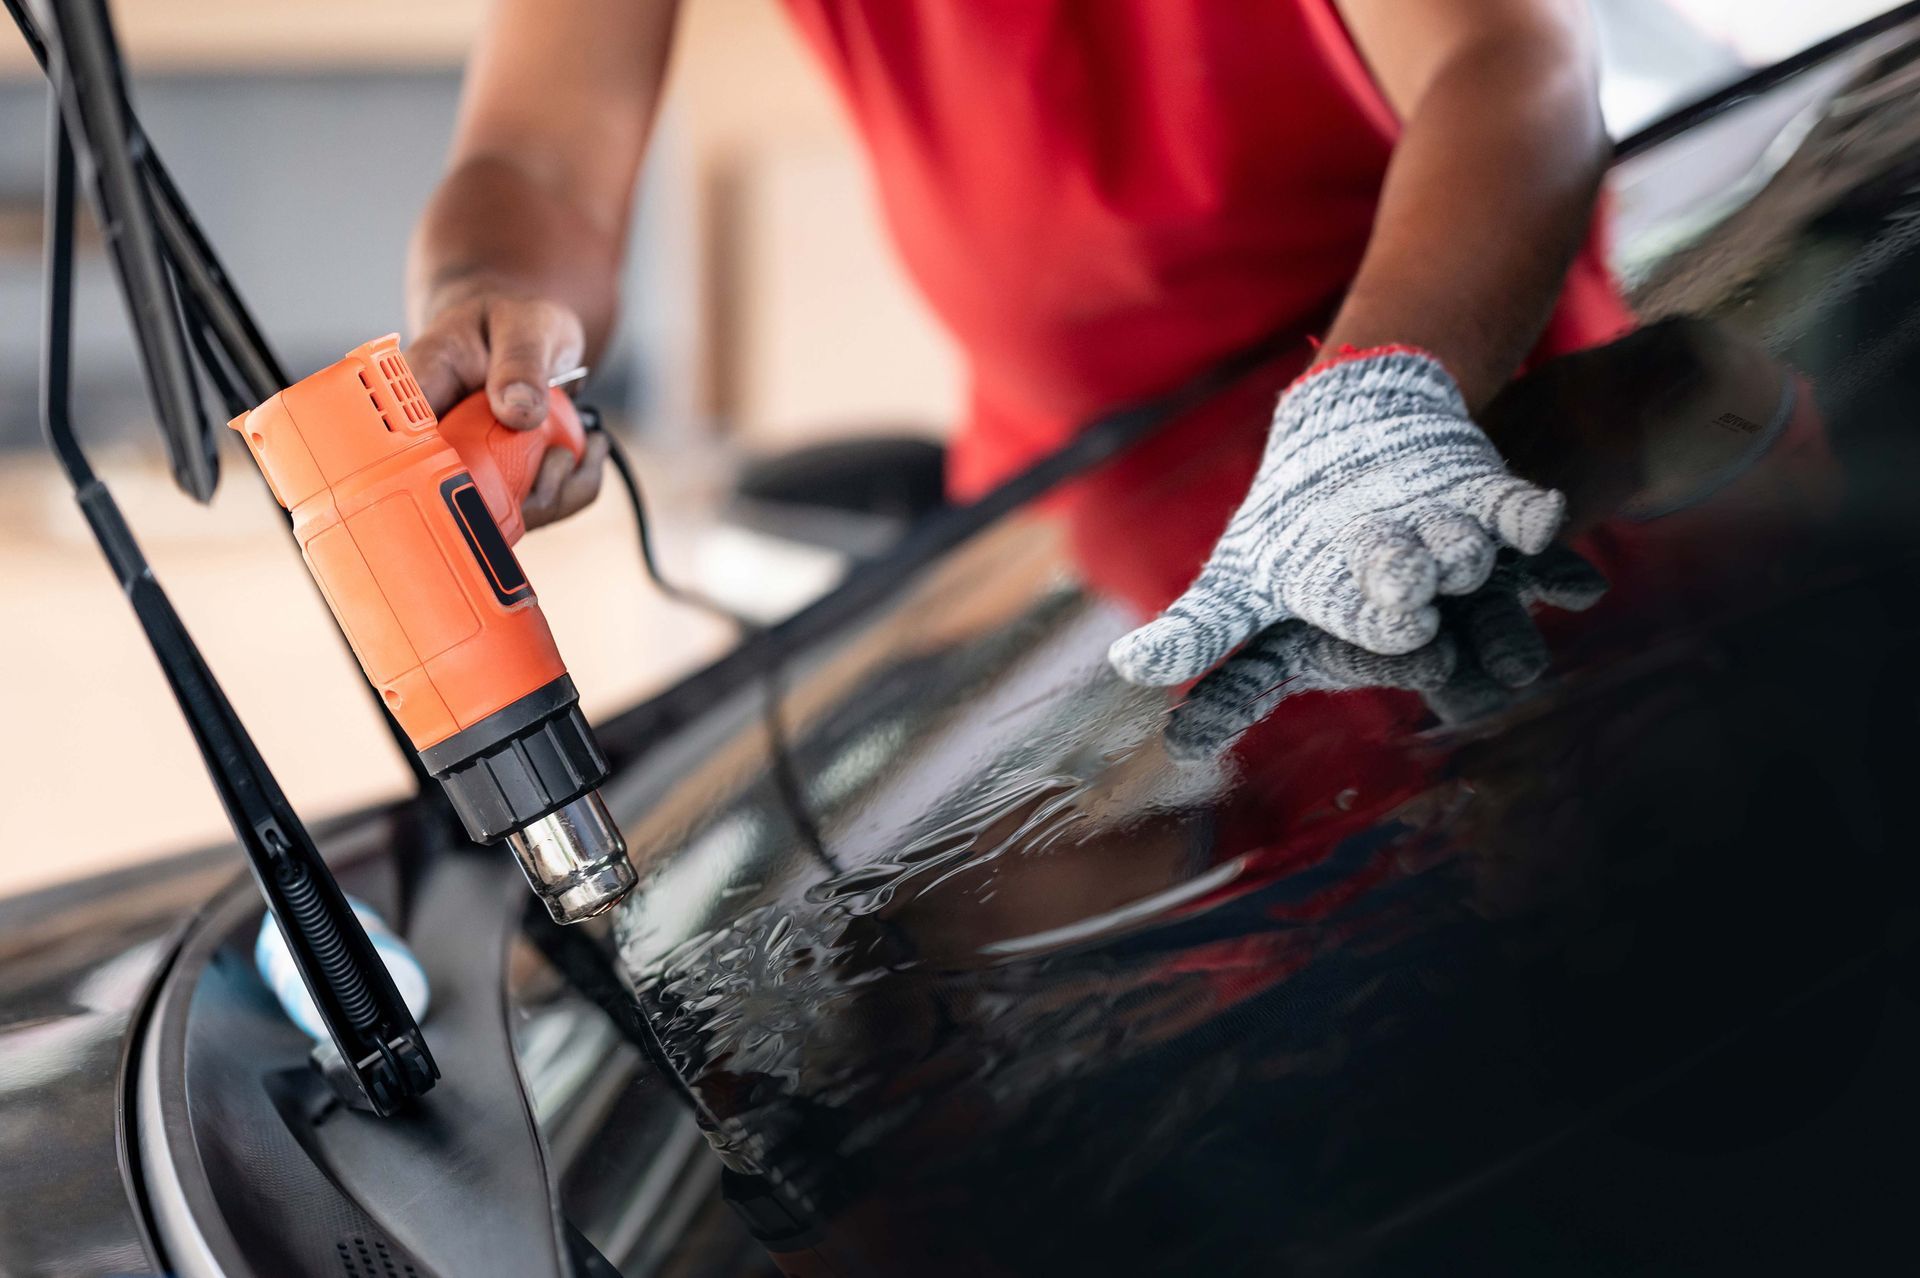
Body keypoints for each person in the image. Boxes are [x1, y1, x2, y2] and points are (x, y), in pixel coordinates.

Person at [406, 0, 1632, 678]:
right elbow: (534, 159)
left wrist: (1374, 404)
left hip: (1460, 427)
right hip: (1081, 541)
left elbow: (1510, 56)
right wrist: (490, 297)